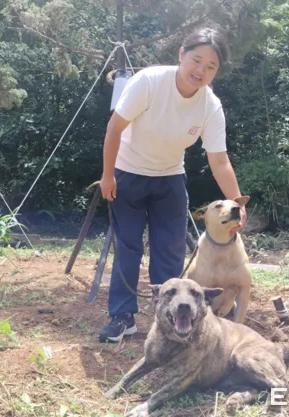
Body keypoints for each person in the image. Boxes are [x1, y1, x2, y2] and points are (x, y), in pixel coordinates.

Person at [97, 26, 247, 343]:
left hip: (170, 178)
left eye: (211, 67)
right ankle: (122, 316)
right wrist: (108, 175)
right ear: (181, 54)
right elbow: (114, 128)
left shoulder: (210, 106)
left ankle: (168, 321)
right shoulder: (149, 82)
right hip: (128, 173)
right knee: (128, 247)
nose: (201, 71)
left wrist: (236, 204)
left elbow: (219, 161)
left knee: (170, 252)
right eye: (196, 60)